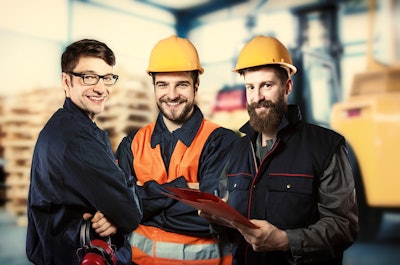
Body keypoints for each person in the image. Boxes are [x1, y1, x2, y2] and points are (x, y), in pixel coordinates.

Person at [200, 36, 359, 264]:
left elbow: (343, 227)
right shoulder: (238, 149)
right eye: (250, 87)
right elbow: (232, 228)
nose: (257, 97)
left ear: (287, 87)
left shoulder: (326, 146)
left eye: (267, 85)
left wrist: (285, 240)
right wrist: (217, 219)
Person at [115, 35, 237, 265]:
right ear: (153, 86)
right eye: (163, 84)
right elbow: (118, 208)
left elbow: (215, 217)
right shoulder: (132, 144)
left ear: (196, 85)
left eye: (181, 84)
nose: (171, 95)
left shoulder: (221, 141)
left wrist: (144, 194)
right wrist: (187, 190)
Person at [26, 39, 142, 265]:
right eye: (88, 77)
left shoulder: (60, 126)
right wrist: (119, 210)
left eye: (107, 78)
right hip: (75, 255)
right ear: (66, 81)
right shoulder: (78, 140)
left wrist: (112, 215)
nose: (101, 88)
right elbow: (129, 213)